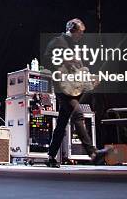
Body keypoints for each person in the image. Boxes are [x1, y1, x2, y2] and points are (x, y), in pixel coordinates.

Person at [43, 18, 108, 167]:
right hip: (62, 87)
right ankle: (92, 153)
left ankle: (51, 157)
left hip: (71, 89)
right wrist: (64, 61)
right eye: (80, 33)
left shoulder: (72, 47)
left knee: (62, 123)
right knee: (78, 114)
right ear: (72, 30)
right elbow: (46, 60)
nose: (81, 36)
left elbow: (78, 71)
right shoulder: (58, 42)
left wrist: (91, 79)